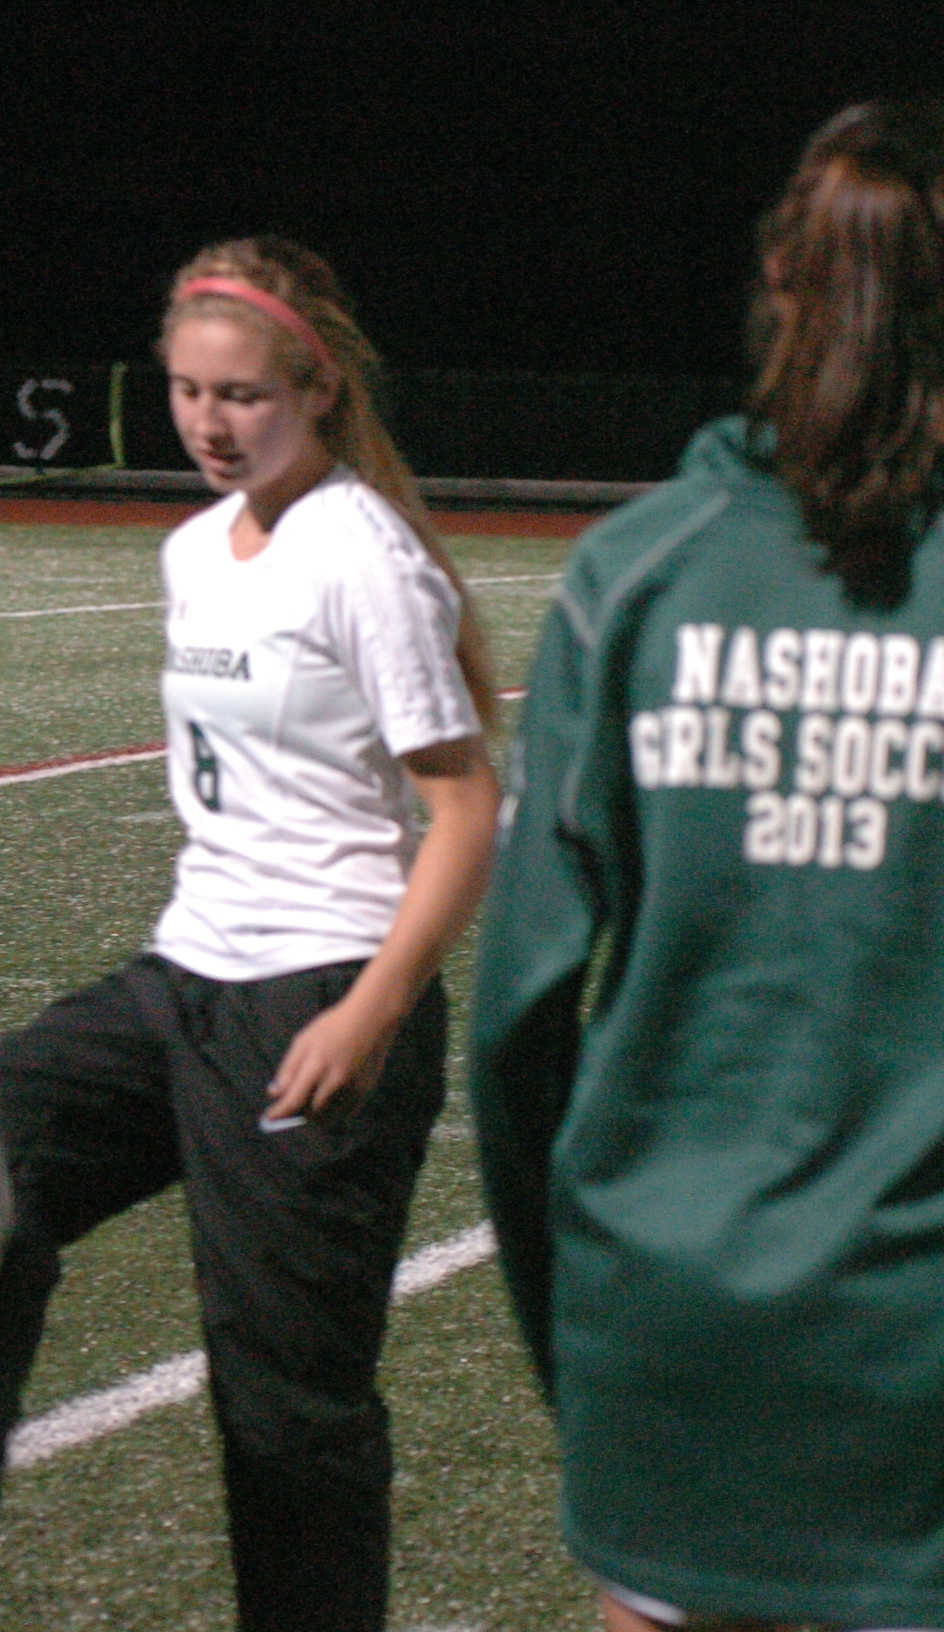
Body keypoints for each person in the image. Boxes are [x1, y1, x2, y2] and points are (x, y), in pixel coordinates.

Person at [0, 236, 502, 1631]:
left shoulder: (363, 558)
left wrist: (375, 1007)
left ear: (317, 389)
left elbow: (463, 808)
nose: (211, 423)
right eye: (188, 392)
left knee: (287, 1405)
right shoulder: (194, 550)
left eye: (244, 396)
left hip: (317, 998)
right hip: (186, 975)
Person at [472, 101, 944, 1632]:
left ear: (778, 289)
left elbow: (513, 1030)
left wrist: (590, 1346)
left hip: (665, 1344)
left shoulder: (633, 578)